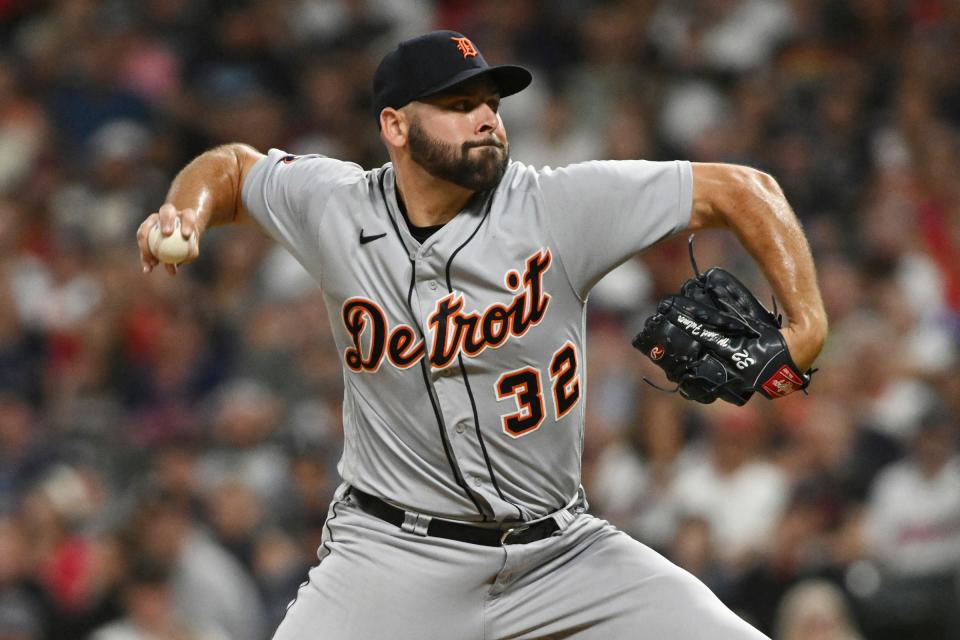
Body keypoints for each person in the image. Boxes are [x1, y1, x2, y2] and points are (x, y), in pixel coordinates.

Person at [136, 30, 827, 640]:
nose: (488, 119)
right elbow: (230, 169)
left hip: (563, 553)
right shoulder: (334, 204)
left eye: (492, 103)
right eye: (460, 106)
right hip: (393, 556)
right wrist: (185, 213)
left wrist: (808, 324)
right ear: (396, 127)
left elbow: (742, 189)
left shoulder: (557, 205)